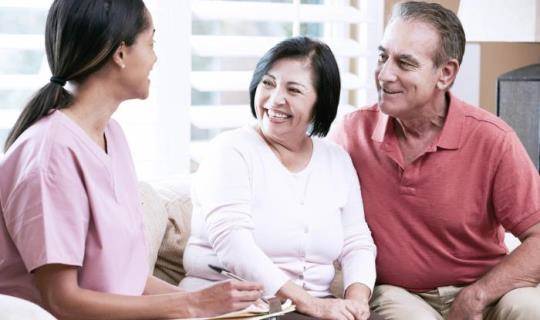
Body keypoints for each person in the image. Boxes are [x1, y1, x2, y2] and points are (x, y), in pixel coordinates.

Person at [0, 0, 263, 319]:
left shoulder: (113, 136)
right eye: (151, 43)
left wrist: (217, 306)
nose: (155, 58)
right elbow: (63, 301)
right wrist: (190, 305)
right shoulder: (50, 154)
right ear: (121, 54)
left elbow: (126, 280)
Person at [329, 1, 540, 320]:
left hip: (484, 289)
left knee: (530, 308)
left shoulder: (492, 139)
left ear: (445, 74)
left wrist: (478, 295)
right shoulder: (351, 133)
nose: (385, 75)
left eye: (404, 63)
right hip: (398, 293)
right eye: (383, 56)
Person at [180, 37, 380, 320]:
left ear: (320, 102)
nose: (274, 100)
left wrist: (357, 301)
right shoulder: (231, 150)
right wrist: (313, 305)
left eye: (293, 90)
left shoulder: (336, 160)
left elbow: (356, 241)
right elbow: (234, 244)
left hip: (308, 309)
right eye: (268, 83)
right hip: (239, 308)